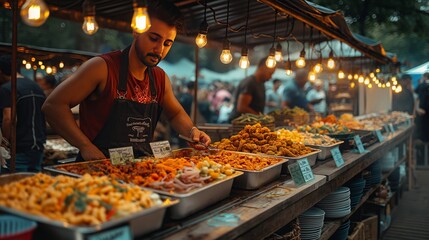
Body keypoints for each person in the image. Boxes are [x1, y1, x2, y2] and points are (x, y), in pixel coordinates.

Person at [42, 1, 210, 161]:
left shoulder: (160, 78)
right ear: (137, 30)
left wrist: (192, 130)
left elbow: (175, 113)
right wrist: (84, 146)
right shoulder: (102, 67)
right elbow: (53, 106)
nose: (159, 49)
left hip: (140, 173)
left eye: (167, 43)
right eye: (153, 38)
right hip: (98, 172)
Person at [0, 55, 46, 172]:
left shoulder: (7, 88)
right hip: (38, 147)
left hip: (18, 149)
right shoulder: (36, 87)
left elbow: (8, 118)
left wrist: (4, 144)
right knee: (32, 184)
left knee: (13, 186)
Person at [414, 72, 429, 142]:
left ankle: (423, 140)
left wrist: (417, 108)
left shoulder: (421, 85)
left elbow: (416, 95)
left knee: (423, 127)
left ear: (424, 77)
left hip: (422, 110)